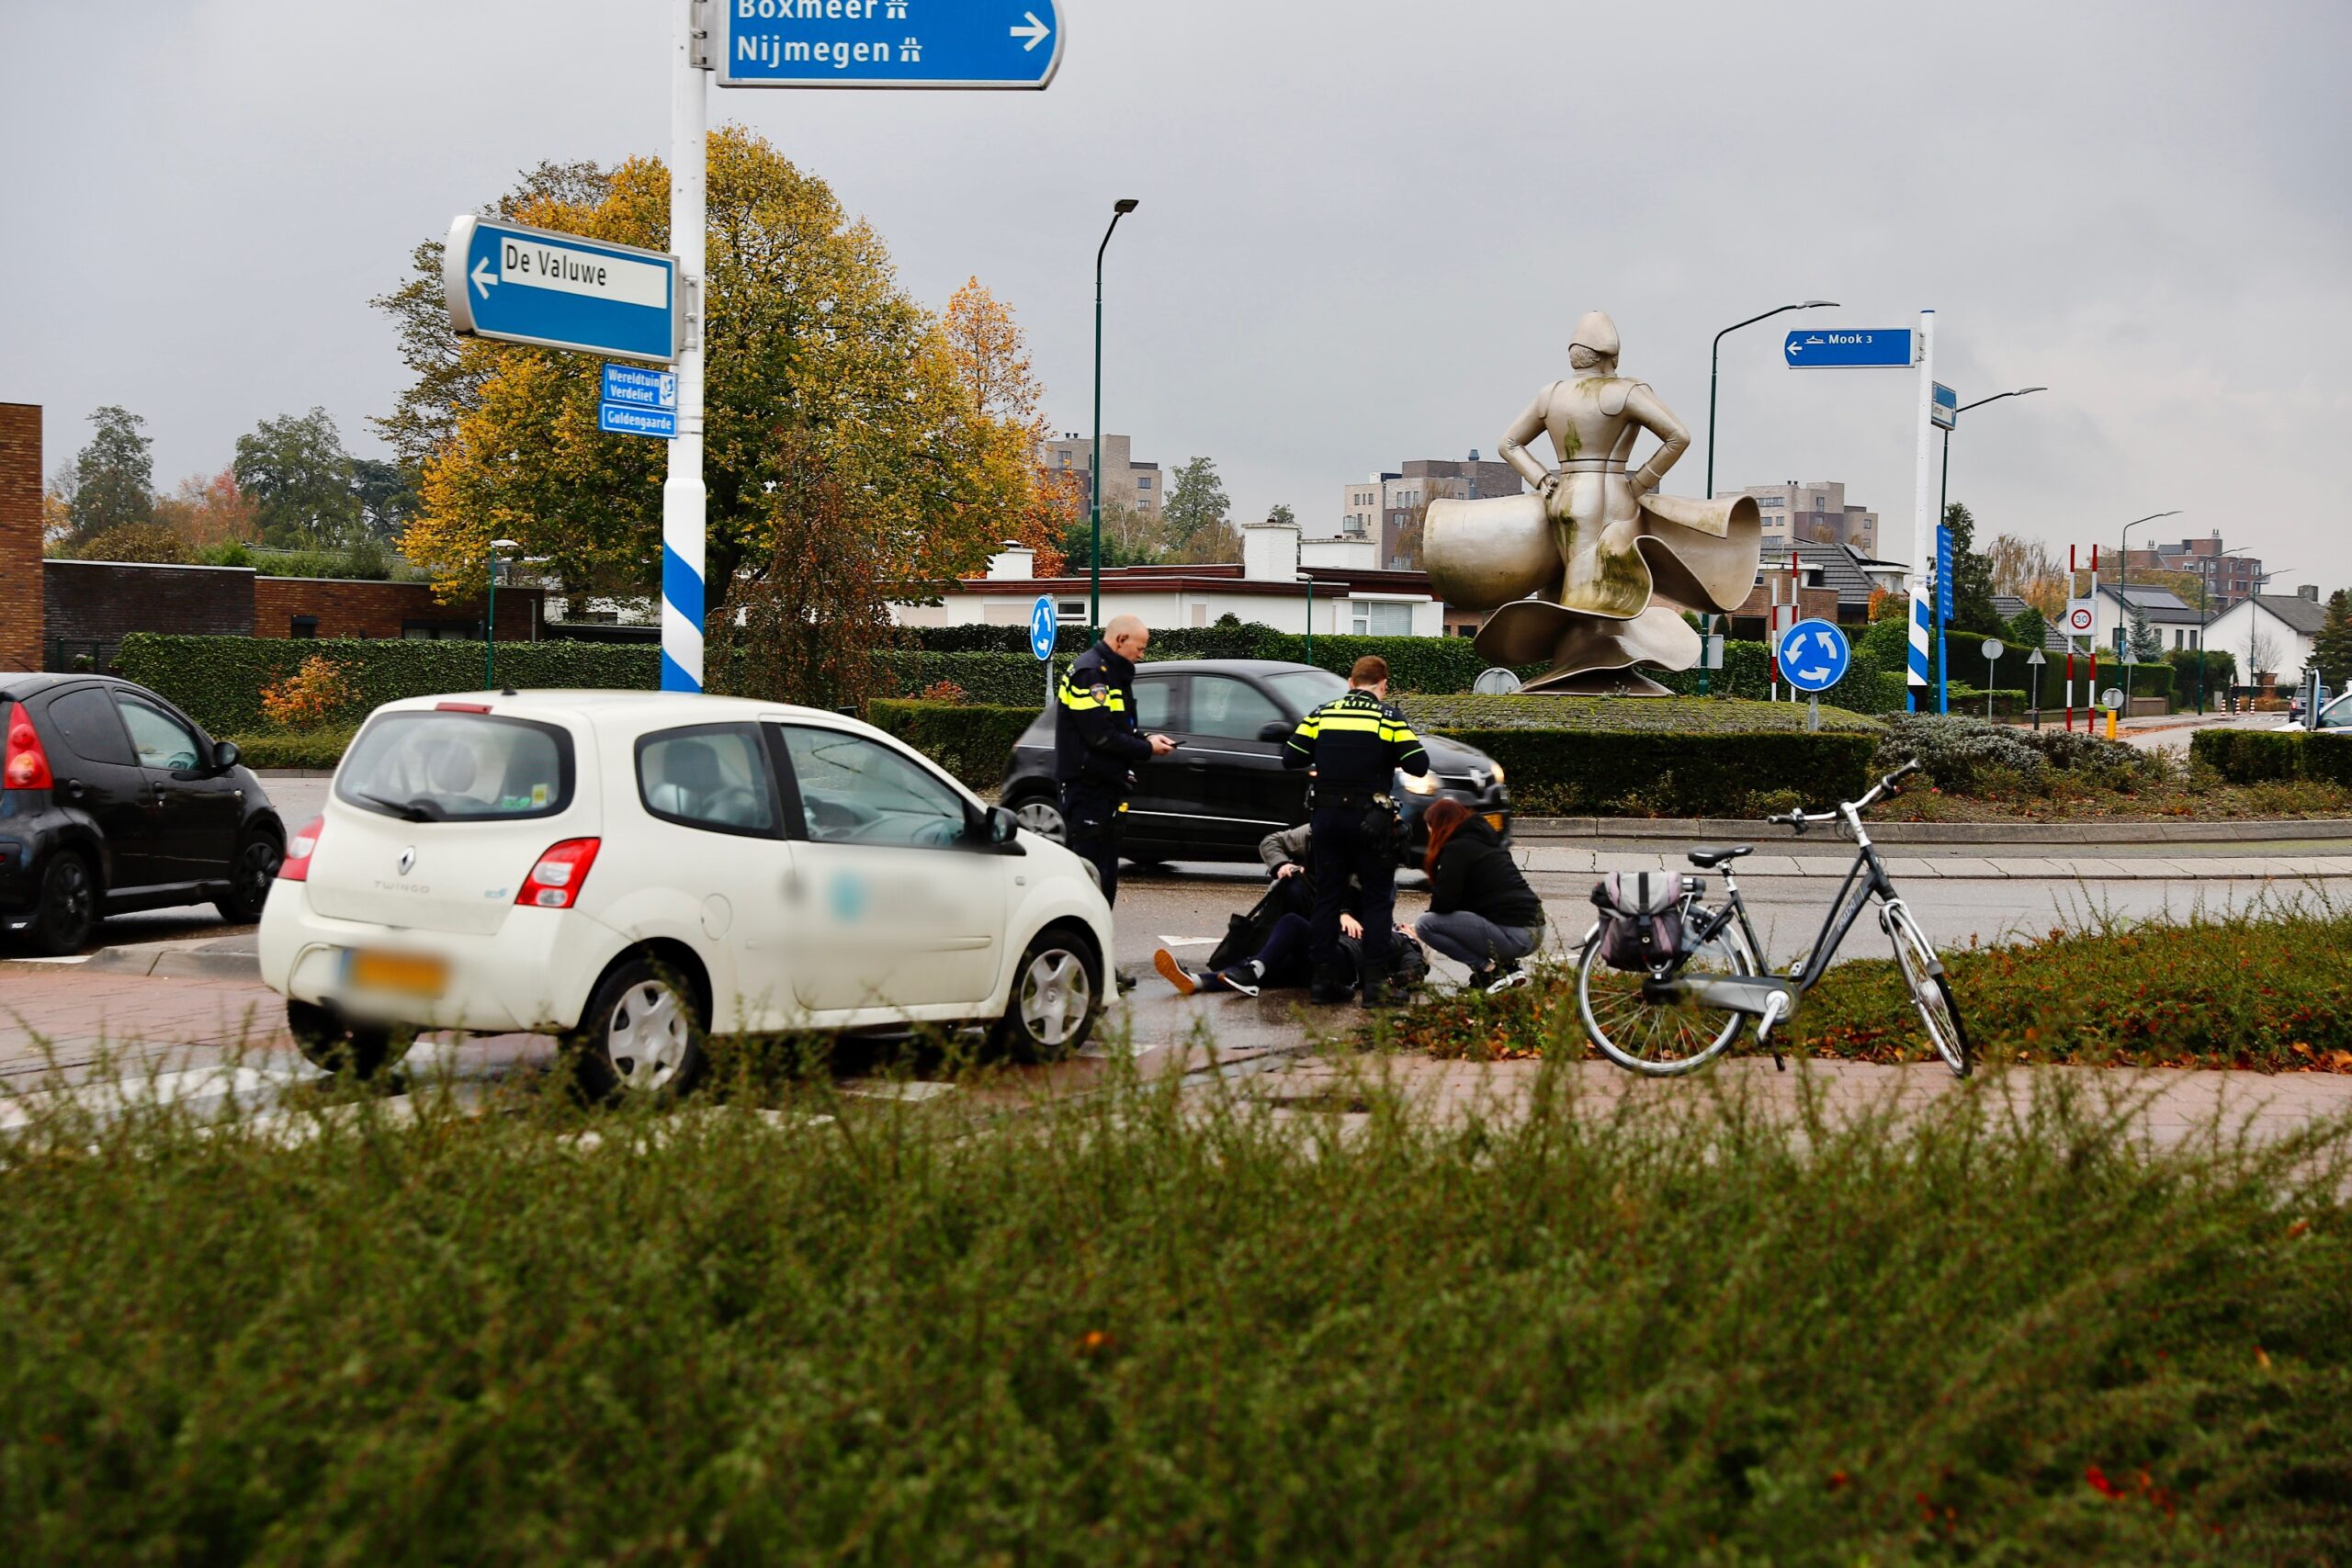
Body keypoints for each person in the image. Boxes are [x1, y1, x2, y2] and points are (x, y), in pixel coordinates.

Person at [1283, 654, 1429, 1005]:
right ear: (1383, 685)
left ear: (1350, 683)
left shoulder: (1320, 714)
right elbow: (1419, 765)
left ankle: (1323, 982)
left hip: (1327, 819)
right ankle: (1376, 987)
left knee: (1328, 898)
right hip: (1371, 822)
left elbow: (1292, 758)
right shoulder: (1388, 717)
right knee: (1377, 901)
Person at [1153, 824, 1362, 997]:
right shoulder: (1315, 832)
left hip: (1336, 942)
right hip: (1313, 936)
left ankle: (1250, 967)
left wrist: (1345, 913)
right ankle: (1197, 981)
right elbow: (1271, 842)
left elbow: (1369, 902)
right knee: (1273, 961)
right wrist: (1283, 865)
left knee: (1285, 939)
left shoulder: (1365, 851)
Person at [1053, 613, 1175, 907]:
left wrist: (1144, 738)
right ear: (1121, 640)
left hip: (1103, 788)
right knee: (1091, 879)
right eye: (1141, 647)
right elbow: (1100, 736)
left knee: (1104, 878)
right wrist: (1146, 750)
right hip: (1088, 789)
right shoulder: (1091, 674)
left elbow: (1119, 726)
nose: (1141, 655)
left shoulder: (1109, 673)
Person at [1412, 797, 1544, 991]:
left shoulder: (1457, 849)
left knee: (1426, 924)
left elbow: (1444, 904)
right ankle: (1510, 968)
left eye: (1430, 827)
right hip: (1535, 930)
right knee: (1482, 912)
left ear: (1440, 825)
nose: (1429, 832)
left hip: (1515, 936)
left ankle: (1488, 971)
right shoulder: (1487, 841)